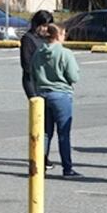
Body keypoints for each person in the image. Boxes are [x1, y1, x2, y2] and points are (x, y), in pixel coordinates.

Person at [31, 23, 81, 177]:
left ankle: (39, 166)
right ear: (58, 35)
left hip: (42, 94)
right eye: (64, 34)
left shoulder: (38, 52)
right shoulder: (65, 53)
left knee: (45, 134)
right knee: (63, 133)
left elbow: (32, 73)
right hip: (60, 95)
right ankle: (67, 168)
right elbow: (74, 76)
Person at [20, 10, 54, 169]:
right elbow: (26, 66)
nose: (46, 29)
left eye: (48, 26)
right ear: (37, 24)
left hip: (47, 83)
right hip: (33, 84)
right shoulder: (28, 39)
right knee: (39, 120)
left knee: (49, 122)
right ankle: (38, 157)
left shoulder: (47, 39)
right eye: (44, 26)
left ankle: (44, 155)